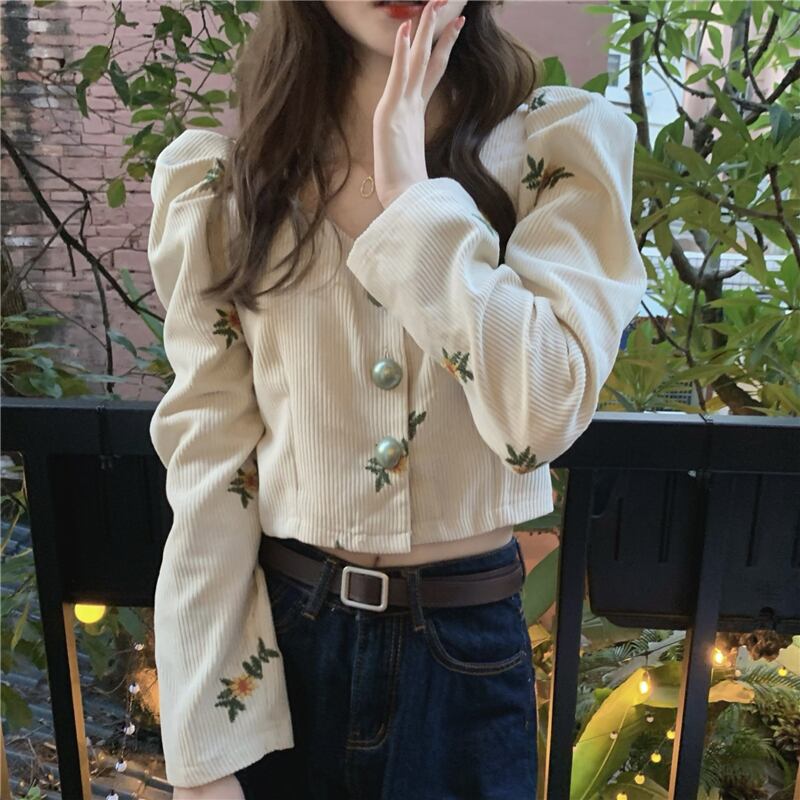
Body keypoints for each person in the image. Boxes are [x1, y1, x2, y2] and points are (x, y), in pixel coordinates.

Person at [146, 1, 647, 798]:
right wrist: (203, 751)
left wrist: (413, 196)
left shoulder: (555, 149)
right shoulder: (229, 184)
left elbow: (541, 414)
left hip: (465, 660)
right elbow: (210, 458)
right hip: (281, 654)